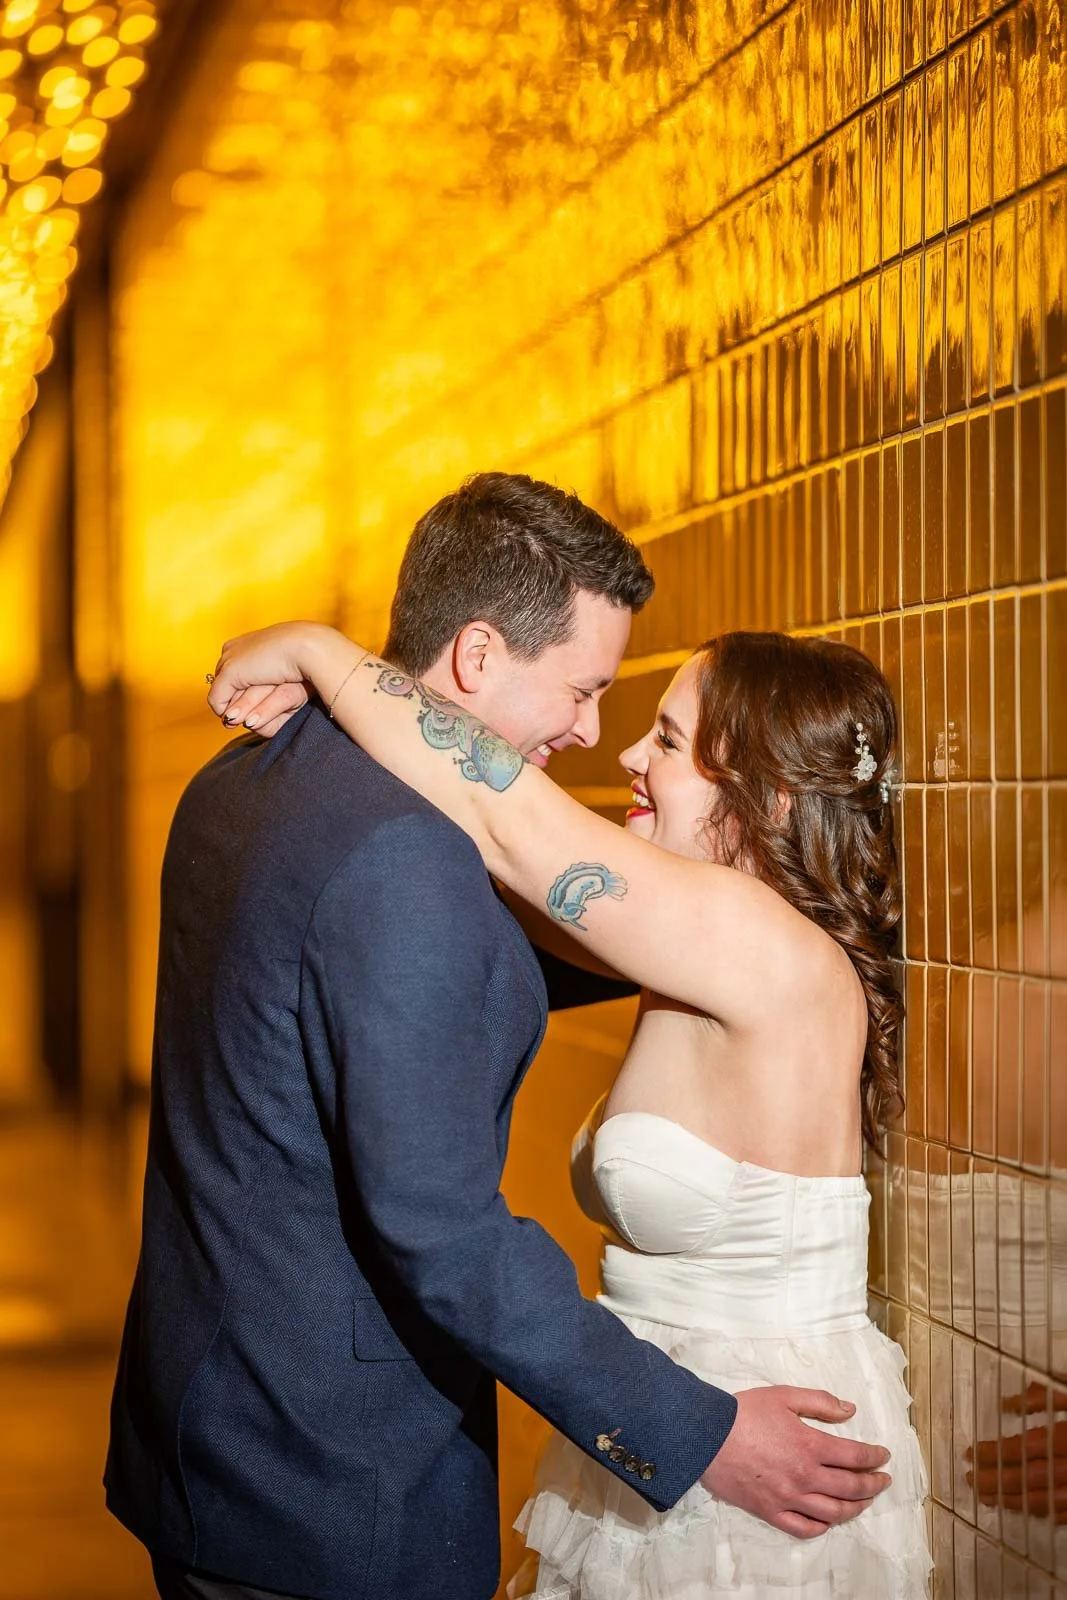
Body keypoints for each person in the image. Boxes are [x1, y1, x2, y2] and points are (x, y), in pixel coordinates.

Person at [105, 471, 889, 1600]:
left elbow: (428, 969)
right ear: (474, 658)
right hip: (328, 1480)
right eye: (583, 688)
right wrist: (688, 1432)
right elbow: (443, 1234)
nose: (591, 733)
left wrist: (325, 654)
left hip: (199, 1425)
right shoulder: (408, 853)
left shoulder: (236, 781)